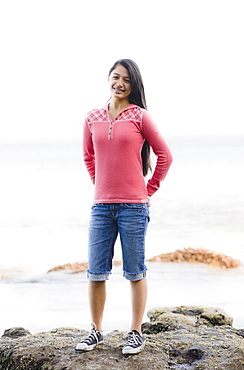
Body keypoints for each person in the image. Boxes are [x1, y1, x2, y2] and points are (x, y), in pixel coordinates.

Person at [76, 59, 172, 355]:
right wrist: (100, 184)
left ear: (134, 85)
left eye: (126, 80)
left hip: (134, 208)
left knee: (135, 271)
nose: (119, 83)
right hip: (101, 208)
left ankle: (136, 332)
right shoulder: (92, 117)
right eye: (116, 77)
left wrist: (149, 189)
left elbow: (165, 156)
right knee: (96, 272)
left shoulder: (140, 117)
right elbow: (88, 157)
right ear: (108, 79)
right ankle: (95, 331)